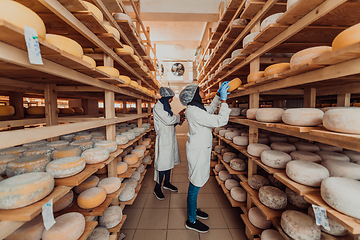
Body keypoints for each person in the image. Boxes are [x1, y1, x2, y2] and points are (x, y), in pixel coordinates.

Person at [179, 82, 231, 233]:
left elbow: (209, 110)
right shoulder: (195, 112)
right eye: (200, 90)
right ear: (194, 94)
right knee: (194, 186)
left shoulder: (196, 108)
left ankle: (194, 210)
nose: (203, 91)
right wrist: (224, 101)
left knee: (197, 182)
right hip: (198, 152)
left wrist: (217, 96)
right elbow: (220, 121)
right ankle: (191, 219)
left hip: (199, 150)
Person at [153, 86, 186, 200]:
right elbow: (169, 120)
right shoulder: (158, 107)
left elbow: (171, 121)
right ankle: (157, 187)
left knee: (169, 161)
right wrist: (179, 116)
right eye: (170, 98)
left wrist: (179, 119)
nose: (171, 100)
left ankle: (166, 182)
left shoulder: (165, 107)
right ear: (166, 97)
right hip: (163, 140)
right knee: (163, 164)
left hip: (170, 138)